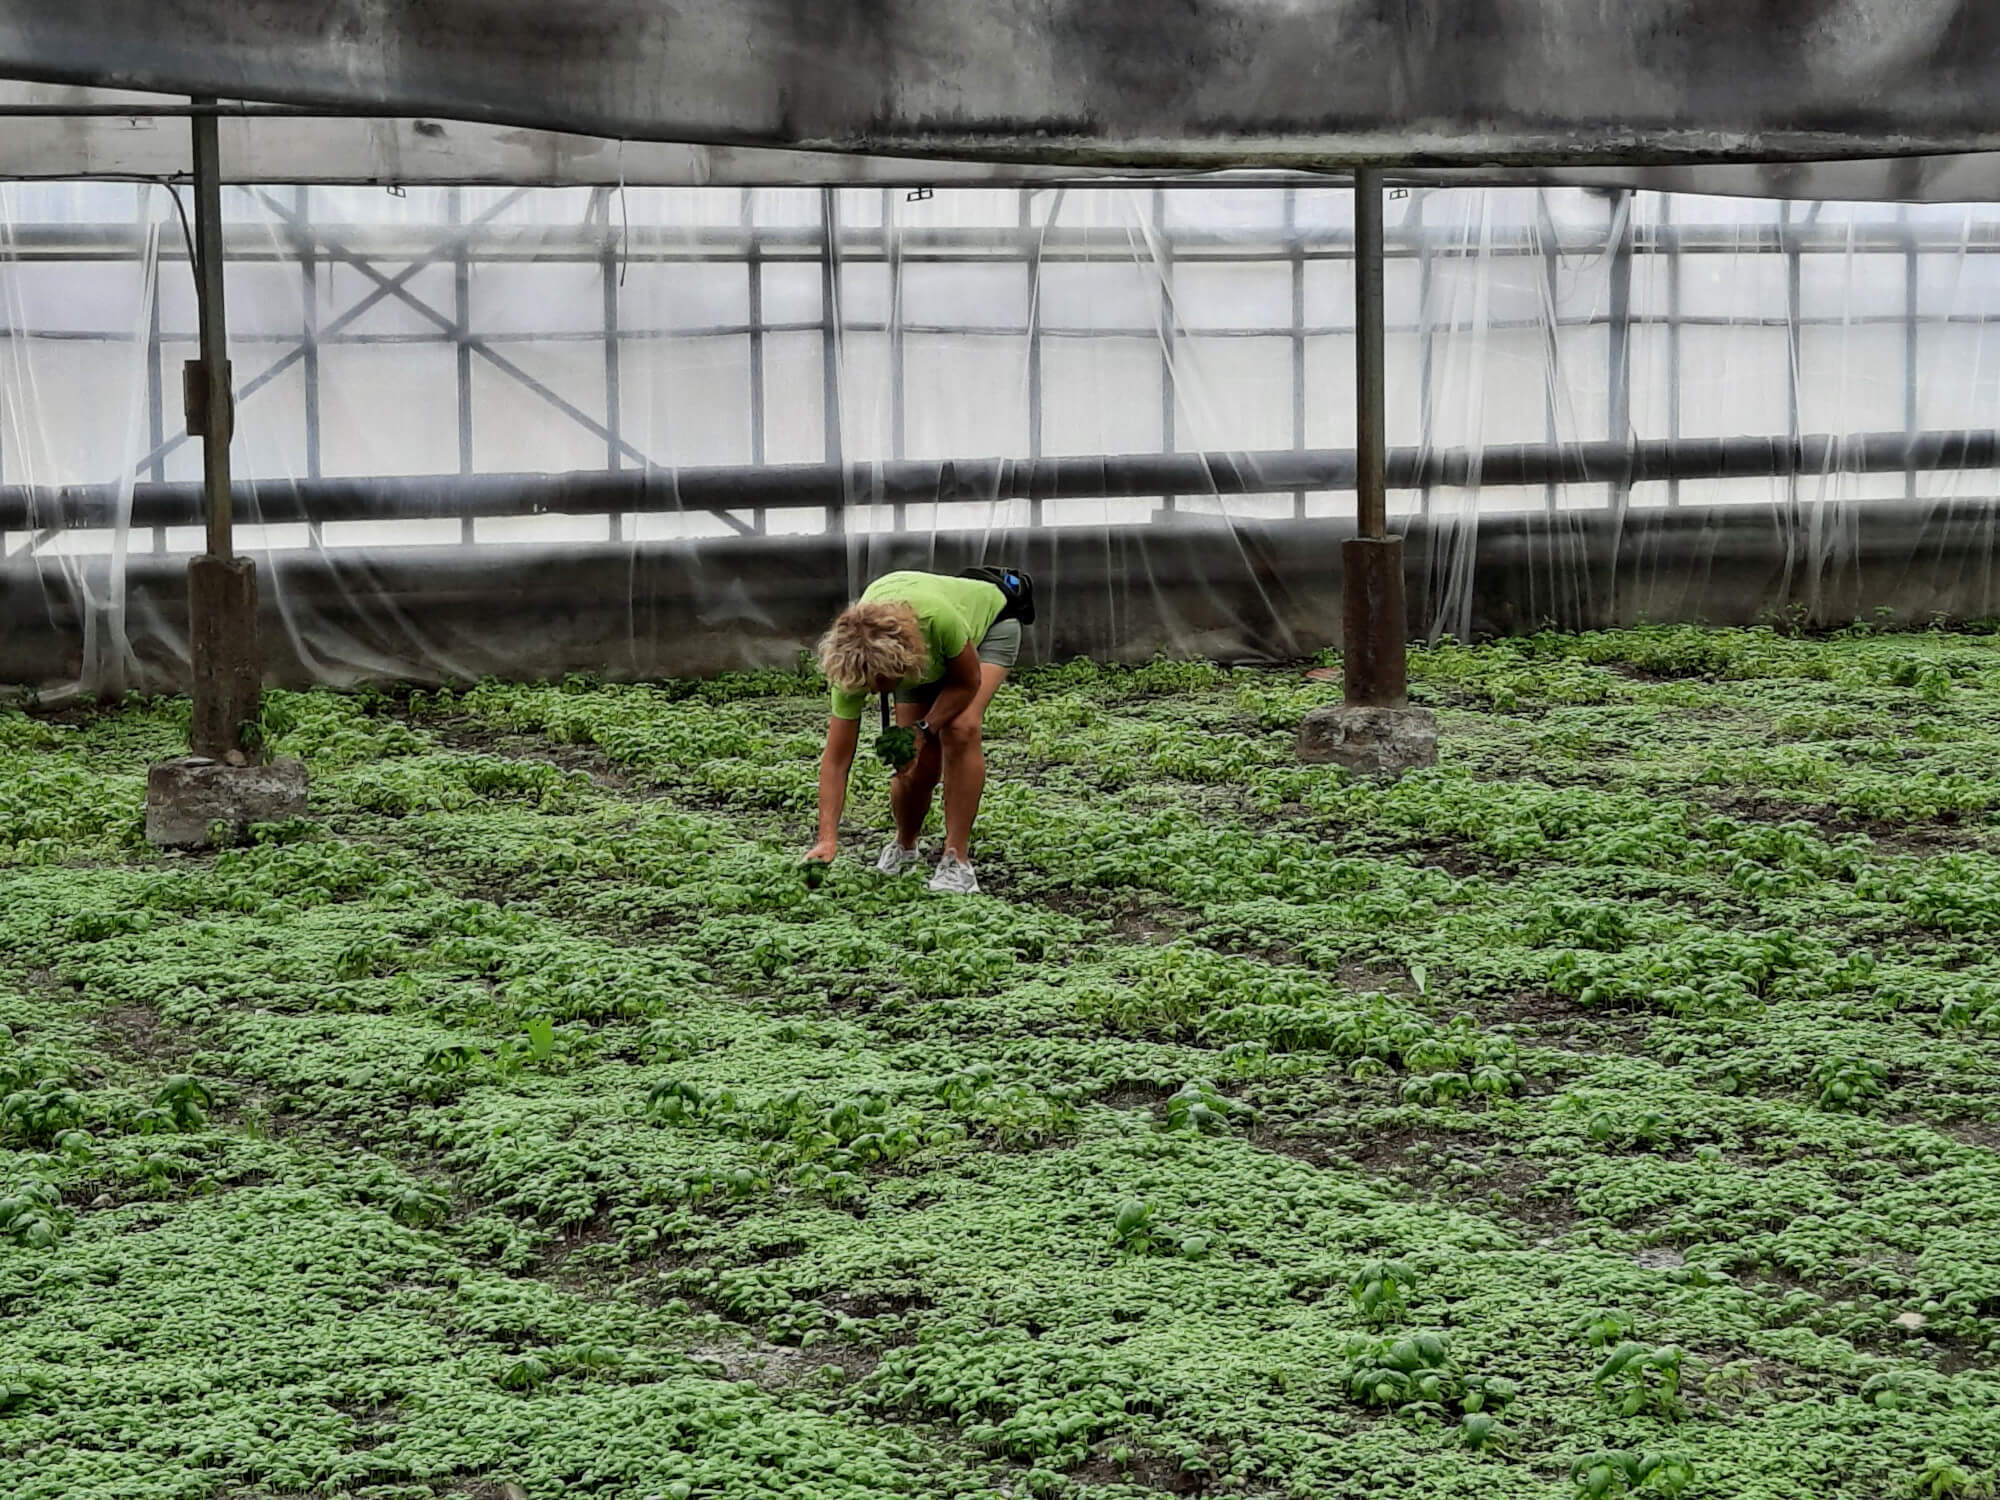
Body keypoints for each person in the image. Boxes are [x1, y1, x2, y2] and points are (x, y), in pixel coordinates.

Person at [804, 569, 1023, 894]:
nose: (876, 695)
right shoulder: (853, 663)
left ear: (901, 665)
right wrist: (826, 839)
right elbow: (836, 760)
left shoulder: (938, 619)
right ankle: (904, 846)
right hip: (913, 653)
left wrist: (925, 728)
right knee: (913, 758)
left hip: (988, 627)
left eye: (880, 687)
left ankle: (956, 860)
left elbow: (966, 683)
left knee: (959, 728)